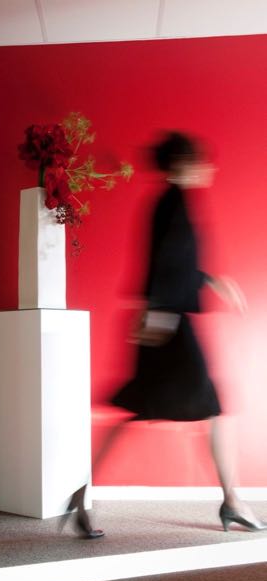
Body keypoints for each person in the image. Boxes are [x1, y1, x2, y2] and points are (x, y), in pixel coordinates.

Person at [62, 131, 265, 538]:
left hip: (164, 320)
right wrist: (158, 316)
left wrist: (211, 281)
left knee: (141, 407)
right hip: (169, 324)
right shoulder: (173, 203)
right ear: (182, 164)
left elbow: (176, 264)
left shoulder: (172, 202)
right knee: (207, 408)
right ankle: (232, 501)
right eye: (201, 161)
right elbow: (165, 264)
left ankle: (81, 498)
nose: (209, 167)